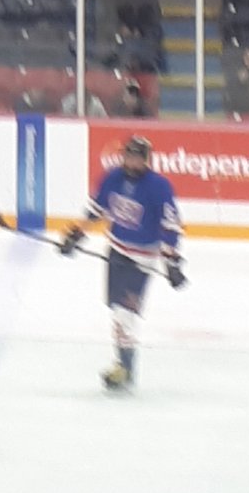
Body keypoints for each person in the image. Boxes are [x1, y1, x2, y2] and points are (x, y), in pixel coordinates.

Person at [58, 134, 185, 392]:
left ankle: (124, 369)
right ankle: (123, 365)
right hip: (116, 252)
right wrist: (76, 235)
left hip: (142, 259)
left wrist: (171, 261)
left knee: (124, 314)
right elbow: (96, 210)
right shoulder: (112, 177)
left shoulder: (159, 187)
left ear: (146, 160)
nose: (132, 161)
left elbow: (170, 226)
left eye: (137, 157)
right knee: (116, 311)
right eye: (129, 155)